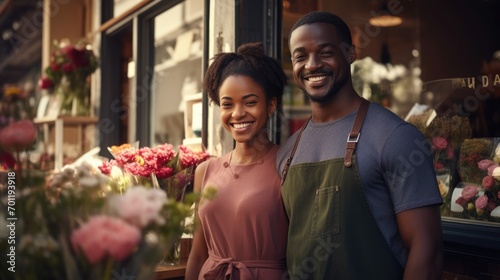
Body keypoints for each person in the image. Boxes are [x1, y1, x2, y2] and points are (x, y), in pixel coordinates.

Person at [276, 11, 444, 279]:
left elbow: (427, 251)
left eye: (325, 52)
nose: (312, 65)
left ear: (351, 54)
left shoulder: (395, 137)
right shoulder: (287, 152)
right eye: (300, 56)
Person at [186, 42, 289, 279]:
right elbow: (198, 254)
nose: (237, 113)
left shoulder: (287, 165)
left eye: (250, 102)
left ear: (271, 105)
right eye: (227, 104)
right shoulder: (205, 170)